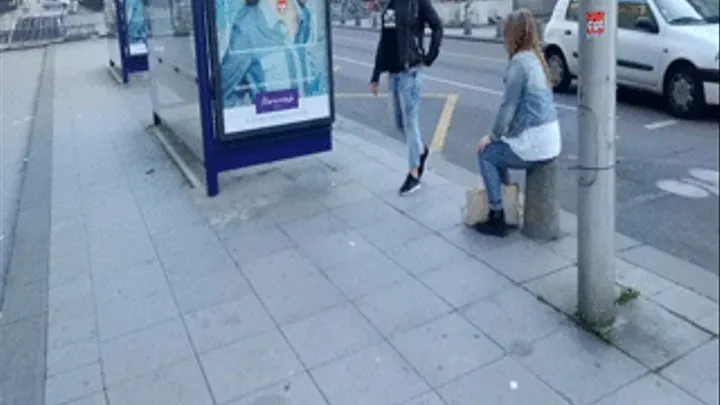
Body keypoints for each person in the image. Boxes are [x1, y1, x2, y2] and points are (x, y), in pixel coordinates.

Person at [474, 8, 561, 237]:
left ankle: (497, 215)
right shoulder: (536, 59)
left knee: (486, 154)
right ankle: (506, 205)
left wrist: (491, 136)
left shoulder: (520, 63)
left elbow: (508, 108)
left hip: (534, 143)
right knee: (499, 148)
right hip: (551, 140)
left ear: (513, 35)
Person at [369, 0, 443, 195]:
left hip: (411, 72)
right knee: (399, 124)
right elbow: (384, 40)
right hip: (393, 74)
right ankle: (420, 150)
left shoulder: (417, 2)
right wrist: (376, 74)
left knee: (411, 124)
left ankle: (413, 174)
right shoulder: (390, 4)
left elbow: (437, 25)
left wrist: (430, 55)